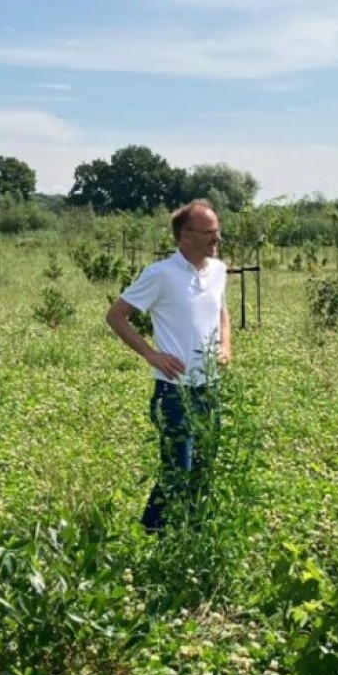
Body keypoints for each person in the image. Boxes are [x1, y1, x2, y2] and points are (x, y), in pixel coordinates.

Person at [106, 199, 231, 532]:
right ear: (185, 236)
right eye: (209, 232)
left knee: (204, 466)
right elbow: (116, 316)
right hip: (173, 391)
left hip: (209, 387)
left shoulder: (218, 270)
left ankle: (191, 533)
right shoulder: (160, 275)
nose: (217, 238)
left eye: (218, 231)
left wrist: (225, 346)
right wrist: (152, 354)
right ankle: (157, 535)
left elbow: (221, 311)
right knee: (179, 468)